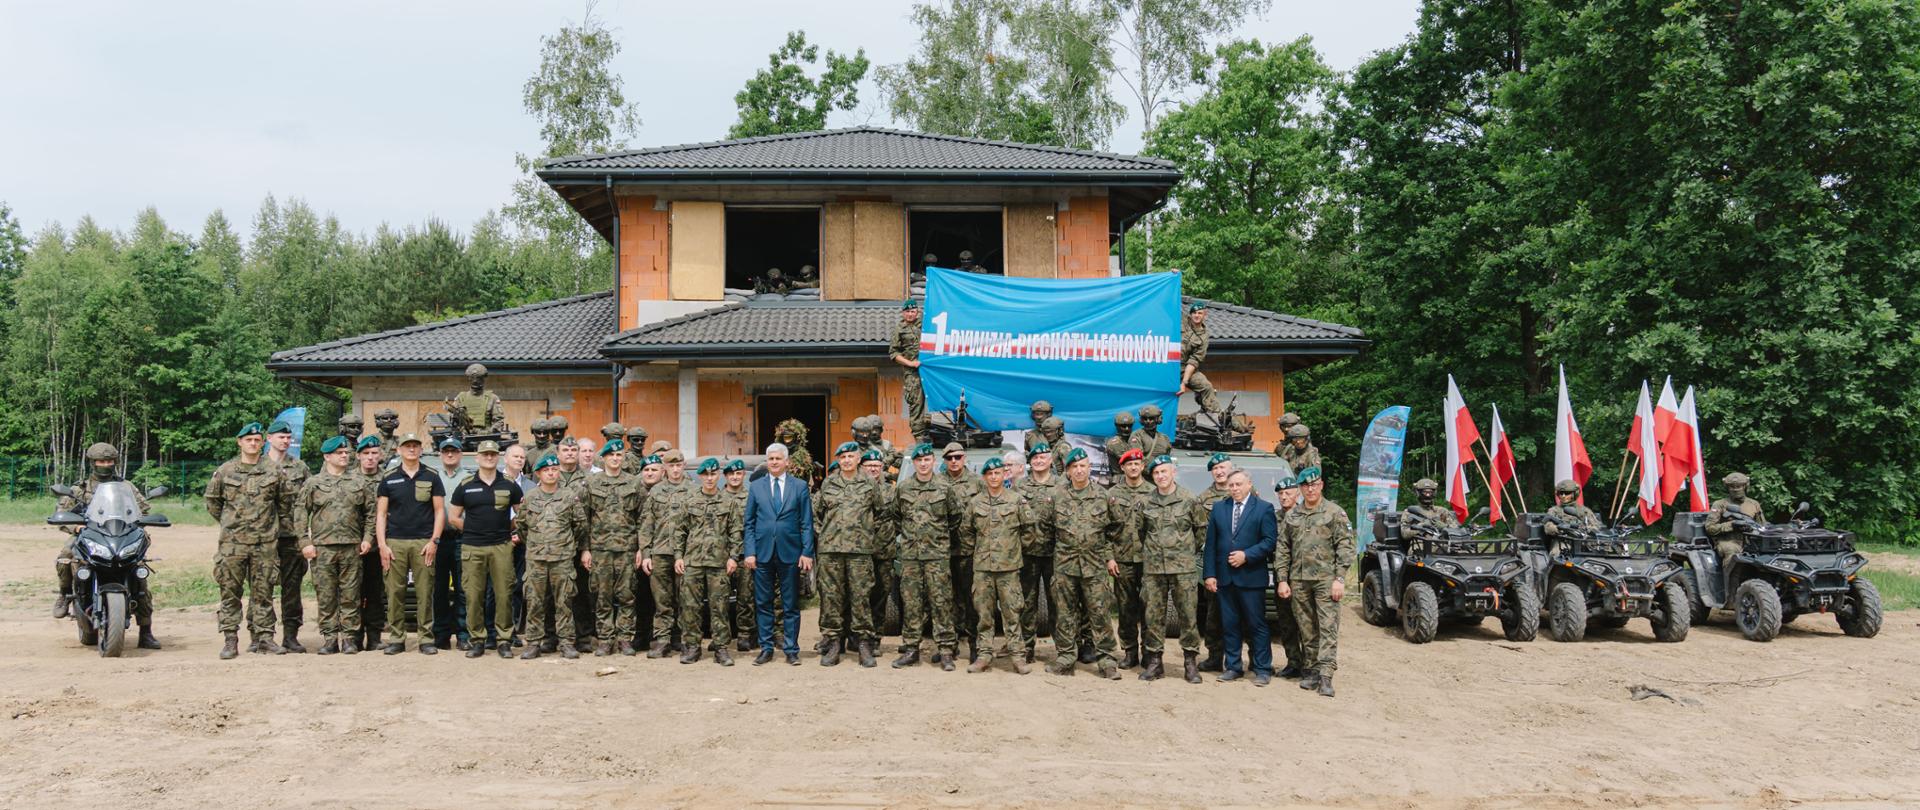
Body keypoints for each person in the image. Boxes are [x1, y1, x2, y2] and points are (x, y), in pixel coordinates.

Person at [55, 443, 159, 649]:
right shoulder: (79, 489)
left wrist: (141, 524)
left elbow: (143, 510)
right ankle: (64, 594)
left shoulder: (126, 487)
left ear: (115, 462)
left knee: (140, 575)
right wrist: (73, 527)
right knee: (65, 554)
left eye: (109, 461)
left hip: (120, 536)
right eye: (101, 461)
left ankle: (146, 632)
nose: (105, 465)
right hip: (89, 534)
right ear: (92, 463)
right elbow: (62, 514)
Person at [206, 422, 294, 659]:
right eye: (248, 440)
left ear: (262, 442)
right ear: (240, 442)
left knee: (263, 592)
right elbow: (213, 502)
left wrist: (271, 526)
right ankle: (230, 639)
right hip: (232, 544)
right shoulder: (225, 471)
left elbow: (285, 503)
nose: (253, 444)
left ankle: (265, 637)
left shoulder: (273, 470)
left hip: (264, 543)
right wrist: (231, 523)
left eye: (257, 440)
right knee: (229, 592)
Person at [1047, 448, 1123, 679]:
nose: (1079, 470)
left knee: (1100, 614)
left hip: (1094, 565)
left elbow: (1116, 527)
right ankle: (1066, 658)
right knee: (1065, 614)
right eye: (1074, 467)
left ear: (1089, 468)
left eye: (1083, 466)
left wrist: (1105, 552)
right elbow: (1045, 526)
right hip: (1065, 565)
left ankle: (1107, 661)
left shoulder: (1104, 496)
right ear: (1068, 471)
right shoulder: (1056, 496)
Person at [1276, 466, 1353, 697]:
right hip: (1299, 581)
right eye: (1306, 486)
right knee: (1306, 628)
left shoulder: (1334, 512)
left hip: (1325, 580)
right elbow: (1282, 550)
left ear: (1321, 485)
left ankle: (1326, 675)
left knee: (1328, 627)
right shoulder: (1292, 516)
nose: (1310, 489)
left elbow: (1346, 546)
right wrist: (1282, 580)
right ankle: (1311, 670)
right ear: (1300, 488)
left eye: (1314, 484)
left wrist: (1340, 578)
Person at [297, 436, 376, 655]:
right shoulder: (313, 483)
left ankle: (350, 638)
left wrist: (368, 538)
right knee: (326, 595)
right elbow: (300, 512)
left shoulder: (359, 482)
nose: (344, 456)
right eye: (339, 453)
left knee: (352, 594)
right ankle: (330, 638)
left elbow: (371, 513)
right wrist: (305, 542)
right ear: (327, 456)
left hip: (351, 547)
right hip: (323, 548)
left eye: (346, 452)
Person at [813, 441, 885, 667]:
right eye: (842, 457)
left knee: (861, 597)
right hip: (831, 552)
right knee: (832, 598)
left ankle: (863, 643)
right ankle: (834, 643)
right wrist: (825, 536)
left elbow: (881, 514)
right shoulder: (829, 483)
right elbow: (816, 515)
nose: (846, 461)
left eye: (850, 457)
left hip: (859, 552)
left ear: (857, 459)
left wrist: (867, 536)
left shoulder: (869, 484)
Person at [448, 441, 522, 659]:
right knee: (473, 595)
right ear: (477, 459)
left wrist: (506, 529)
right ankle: (477, 640)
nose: (489, 458)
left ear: (497, 458)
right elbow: (453, 517)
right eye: (485, 455)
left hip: (501, 546)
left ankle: (503, 641)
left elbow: (522, 513)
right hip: (473, 547)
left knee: (503, 594)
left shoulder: (509, 485)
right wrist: (472, 529)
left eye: (492, 454)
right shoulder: (466, 485)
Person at [374, 433, 447, 655]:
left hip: (423, 542)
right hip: (395, 542)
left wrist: (434, 540)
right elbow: (381, 515)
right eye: (407, 446)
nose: (412, 449)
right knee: (395, 592)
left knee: (425, 592)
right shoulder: (389, 478)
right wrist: (382, 545)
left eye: (415, 446)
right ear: (399, 450)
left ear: (420, 450)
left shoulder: (432, 476)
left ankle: (426, 639)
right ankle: (397, 638)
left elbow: (439, 511)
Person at [744, 442, 815, 666]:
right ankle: (766, 648)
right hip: (762, 554)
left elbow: (806, 522)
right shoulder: (756, 487)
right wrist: (750, 552)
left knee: (791, 604)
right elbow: (749, 523)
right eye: (771, 459)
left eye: (778, 459)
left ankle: (791, 649)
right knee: (763, 602)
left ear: (787, 462)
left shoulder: (800, 486)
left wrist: (807, 552)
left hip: (790, 553)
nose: (774, 462)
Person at [1204, 470, 1277, 685]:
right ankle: (1233, 666)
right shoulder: (1219, 508)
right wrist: (1209, 574)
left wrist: (1247, 555)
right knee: (1230, 624)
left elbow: (1269, 541)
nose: (1234, 488)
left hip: (1251, 577)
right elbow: (1211, 545)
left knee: (1257, 625)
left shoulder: (1264, 508)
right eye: (1231, 485)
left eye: (1238, 484)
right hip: (1225, 579)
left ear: (1249, 484)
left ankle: (1262, 668)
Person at [1138, 455, 1206, 683]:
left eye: (1164, 472)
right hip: (1154, 568)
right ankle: (1155, 661)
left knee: (1188, 615)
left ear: (1173, 473)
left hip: (1183, 568)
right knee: (1153, 615)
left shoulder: (1189, 500)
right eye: (1156, 473)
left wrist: (1184, 552)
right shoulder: (1146, 502)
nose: (1160, 476)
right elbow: (1140, 532)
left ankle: (1190, 662)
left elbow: (1200, 531)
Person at [891, 443, 958, 670]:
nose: (922, 463)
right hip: (911, 556)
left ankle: (946, 650)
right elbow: (896, 517)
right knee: (911, 603)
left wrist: (937, 538)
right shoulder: (904, 488)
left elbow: (955, 517)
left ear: (933, 461)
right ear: (914, 463)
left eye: (927, 459)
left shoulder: (945, 487)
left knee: (942, 602)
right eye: (919, 460)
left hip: (937, 556)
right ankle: (911, 649)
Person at [961, 456, 1030, 674]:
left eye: (997, 473)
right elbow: (966, 531)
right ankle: (984, 655)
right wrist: (980, 551)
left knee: (1012, 614)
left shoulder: (1016, 500)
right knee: (984, 615)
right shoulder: (975, 502)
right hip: (983, 569)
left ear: (1004, 475)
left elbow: (1029, 530)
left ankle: (1018, 657)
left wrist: (1014, 550)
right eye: (989, 474)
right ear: (984, 477)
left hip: (1008, 569)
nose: (993, 477)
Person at [515, 453, 587, 660]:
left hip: (562, 558)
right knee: (535, 602)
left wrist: (566, 544)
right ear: (539, 473)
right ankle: (534, 643)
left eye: (554, 469)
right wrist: (536, 545)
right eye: (546, 470)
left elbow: (580, 525)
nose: (551, 473)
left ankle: (566, 642)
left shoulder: (569, 496)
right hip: (536, 559)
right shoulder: (530, 497)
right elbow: (522, 527)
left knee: (564, 601)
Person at [580, 439, 646, 656]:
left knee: (627, 596)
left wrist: (641, 549)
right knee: (602, 596)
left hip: (627, 550)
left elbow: (643, 518)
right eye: (612, 456)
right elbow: (584, 519)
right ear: (605, 458)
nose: (616, 459)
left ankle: (625, 639)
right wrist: (585, 549)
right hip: (600, 550)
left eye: (619, 456)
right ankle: (606, 639)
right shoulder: (592, 483)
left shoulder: (634, 483)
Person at [673, 458, 741, 665]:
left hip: (718, 563)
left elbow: (736, 532)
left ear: (718, 475)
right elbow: (679, 531)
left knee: (719, 607)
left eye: (713, 474)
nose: (710, 478)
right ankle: (693, 647)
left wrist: (733, 557)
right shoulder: (690, 501)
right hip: (692, 562)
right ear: (700, 477)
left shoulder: (729, 503)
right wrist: (678, 556)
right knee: (690, 606)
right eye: (706, 475)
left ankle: (721, 649)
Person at [266, 419, 312, 653]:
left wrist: (305, 535)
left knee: (292, 589)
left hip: (292, 538)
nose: (285, 441)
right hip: (264, 539)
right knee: (262, 588)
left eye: (287, 437)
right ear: (269, 438)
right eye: (280, 437)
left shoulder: (300, 467)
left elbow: (307, 502)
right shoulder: (258, 465)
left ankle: (290, 636)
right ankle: (262, 636)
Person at [1014, 441, 1061, 664]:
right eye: (1035, 458)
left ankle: (1063, 648)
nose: (1039, 460)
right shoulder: (1020, 488)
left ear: (1051, 460)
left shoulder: (1062, 486)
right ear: (1030, 462)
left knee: (1058, 602)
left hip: (1055, 554)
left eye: (1043, 457)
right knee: (1027, 602)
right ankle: (1027, 647)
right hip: (1028, 554)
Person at [1106, 448, 1151, 668]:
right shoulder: (1111, 495)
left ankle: (1149, 652)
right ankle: (1130, 651)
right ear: (1122, 467)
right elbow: (1104, 529)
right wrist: (1109, 557)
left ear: (1142, 466)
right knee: (1125, 609)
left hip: (1148, 561)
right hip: (1122, 561)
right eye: (1129, 464)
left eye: (1137, 464)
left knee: (1150, 608)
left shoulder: (1154, 493)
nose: (1133, 467)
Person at [644, 449, 691, 657]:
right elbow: (647, 524)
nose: (675, 469)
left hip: (686, 554)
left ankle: (682, 639)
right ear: (665, 469)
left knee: (685, 598)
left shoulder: (693, 491)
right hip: (660, 552)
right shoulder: (656, 492)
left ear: (683, 466)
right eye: (671, 466)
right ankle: (662, 640)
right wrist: (646, 553)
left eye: (678, 465)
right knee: (662, 600)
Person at [939, 442, 984, 661]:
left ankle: (975, 645)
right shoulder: (937, 483)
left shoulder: (977, 482)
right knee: (946, 600)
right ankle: (950, 645)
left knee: (971, 600)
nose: (954, 461)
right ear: (944, 461)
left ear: (964, 458)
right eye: (949, 458)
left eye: (957, 457)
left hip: (969, 550)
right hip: (942, 550)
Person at [1194, 453, 1235, 672]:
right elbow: (1200, 534)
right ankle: (1214, 655)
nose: (1219, 471)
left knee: (1241, 613)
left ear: (1231, 468)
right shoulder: (1203, 499)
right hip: (1215, 564)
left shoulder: (1243, 491)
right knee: (1214, 613)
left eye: (1223, 467)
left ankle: (1238, 658)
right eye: (1215, 468)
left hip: (1240, 563)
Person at [430, 438, 470, 650]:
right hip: (438, 539)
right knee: (439, 589)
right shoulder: (432, 477)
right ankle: (441, 635)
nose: (450, 455)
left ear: (461, 453)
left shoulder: (470, 477)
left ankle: (463, 635)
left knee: (464, 589)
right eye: (446, 451)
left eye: (454, 451)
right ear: (440, 454)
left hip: (462, 538)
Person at [1268, 472, 1307, 679]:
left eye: (1288, 493)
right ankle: (1293, 662)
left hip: (1303, 577)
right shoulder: (1273, 517)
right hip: (1280, 577)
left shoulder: (1304, 515)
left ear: (1297, 494)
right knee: (1286, 622)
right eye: (1280, 493)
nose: (1284, 497)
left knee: (1306, 624)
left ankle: (1309, 665)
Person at [352, 436, 389, 651]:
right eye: (366, 454)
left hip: (379, 546)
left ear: (381, 456)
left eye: (374, 453)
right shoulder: (348, 479)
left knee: (376, 593)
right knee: (353, 592)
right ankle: (354, 636)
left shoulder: (388, 479)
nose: (370, 458)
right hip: (354, 545)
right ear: (358, 456)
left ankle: (374, 637)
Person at [722, 459, 757, 652]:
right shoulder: (718, 497)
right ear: (725, 477)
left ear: (743, 475)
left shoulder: (751, 497)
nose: (735, 477)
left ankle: (745, 635)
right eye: (731, 474)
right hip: (722, 556)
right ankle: (722, 636)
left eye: (738, 474)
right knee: (720, 598)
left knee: (745, 597)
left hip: (745, 555)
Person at [1705, 472, 1765, 569]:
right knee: (1732, 552)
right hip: (1728, 541)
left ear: (1745, 486)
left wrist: (1750, 528)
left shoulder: (1754, 504)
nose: (1735, 489)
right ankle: (1729, 583)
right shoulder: (1720, 504)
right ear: (1727, 488)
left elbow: (1762, 526)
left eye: (1739, 486)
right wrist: (1732, 525)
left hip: (1750, 541)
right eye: (1732, 486)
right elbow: (1710, 528)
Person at [890, 299, 929, 442]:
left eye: (913, 311)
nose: (910, 314)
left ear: (917, 312)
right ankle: (919, 437)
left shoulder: (926, 324)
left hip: (930, 369)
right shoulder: (899, 329)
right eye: (907, 312)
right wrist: (910, 364)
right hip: (913, 372)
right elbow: (893, 354)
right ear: (903, 313)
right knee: (916, 402)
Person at [1181, 303, 1222, 414]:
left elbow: (1194, 361)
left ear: (1205, 315)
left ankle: (1216, 416)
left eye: (1200, 313)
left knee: (1206, 386)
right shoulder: (1182, 320)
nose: (1196, 315)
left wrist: (1184, 382)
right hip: (1167, 365)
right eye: (1194, 313)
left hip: (1184, 369)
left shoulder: (1203, 337)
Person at [445, 362, 508, 435]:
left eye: (479, 378)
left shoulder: (492, 398)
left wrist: (489, 432)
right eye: (472, 378)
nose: (475, 381)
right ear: (469, 378)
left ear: (483, 378)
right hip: (464, 436)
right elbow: (452, 418)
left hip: (486, 437)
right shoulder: (461, 397)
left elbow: (499, 420)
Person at [1543, 479, 1602, 556]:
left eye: (1567, 493)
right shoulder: (1554, 510)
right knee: (1557, 554)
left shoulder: (1584, 511)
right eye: (1561, 493)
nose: (1563, 496)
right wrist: (1560, 528)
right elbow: (1548, 527)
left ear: (1575, 494)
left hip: (1583, 541)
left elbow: (1596, 526)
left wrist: (1586, 529)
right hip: (1563, 541)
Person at [1103, 412, 1135, 477]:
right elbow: (1129, 459)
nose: (1127, 429)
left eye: (1129, 426)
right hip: (1120, 479)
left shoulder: (1134, 440)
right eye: (1123, 426)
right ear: (1117, 426)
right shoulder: (1113, 443)